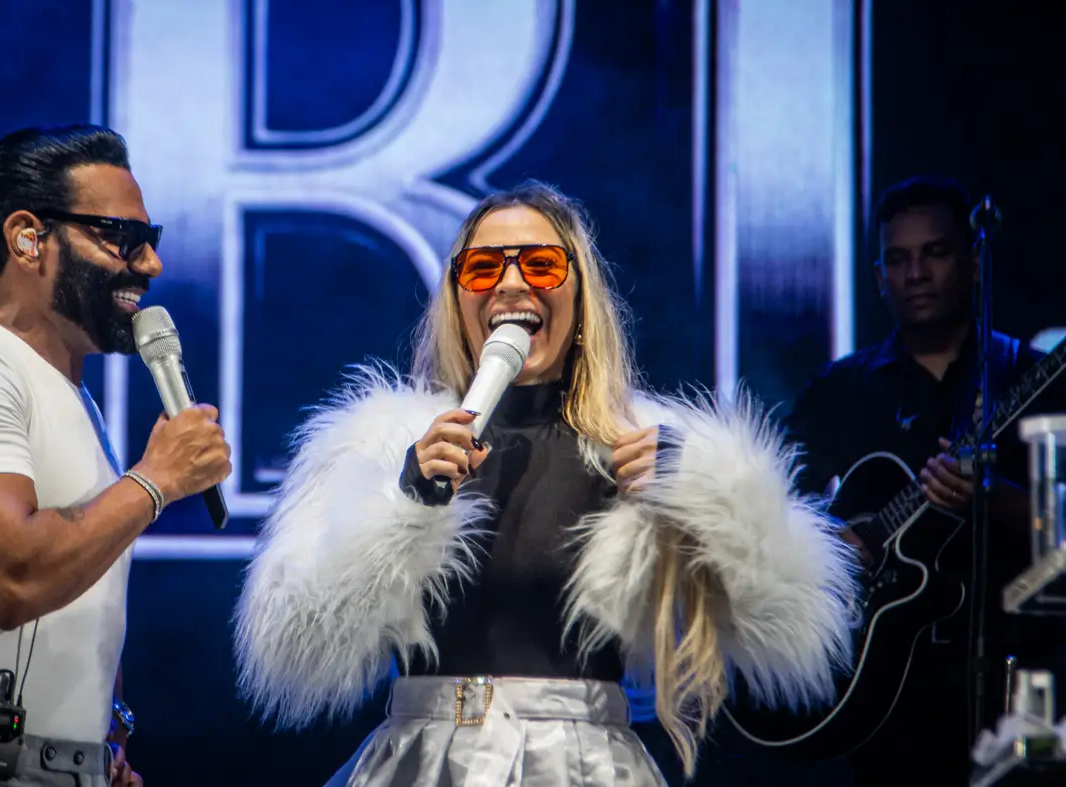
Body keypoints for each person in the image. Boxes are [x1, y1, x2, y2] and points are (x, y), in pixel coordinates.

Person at [233, 181, 861, 786]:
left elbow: (799, 626)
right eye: (483, 268)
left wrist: (710, 489)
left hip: (583, 764)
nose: (511, 283)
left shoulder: (641, 449)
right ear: (457, 299)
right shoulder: (383, 445)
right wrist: (403, 502)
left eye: (540, 264)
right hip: (426, 762)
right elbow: (293, 650)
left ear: (579, 295)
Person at [0, 124, 230, 787]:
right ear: (28, 238)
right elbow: (11, 580)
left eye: (151, 240)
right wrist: (154, 480)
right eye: (124, 237)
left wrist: (95, 737)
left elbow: (74, 599)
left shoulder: (72, 399)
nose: (150, 265)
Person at [781, 176, 1066, 786]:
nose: (916, 273)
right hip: (883, 701)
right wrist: (828, 544)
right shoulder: (842, 389)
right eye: (898, 259)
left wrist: (996, 500)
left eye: (935, 253)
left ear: (972, 263)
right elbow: (770, 508)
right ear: (878, 277)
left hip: (1020, 686)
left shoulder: (1036, 378)